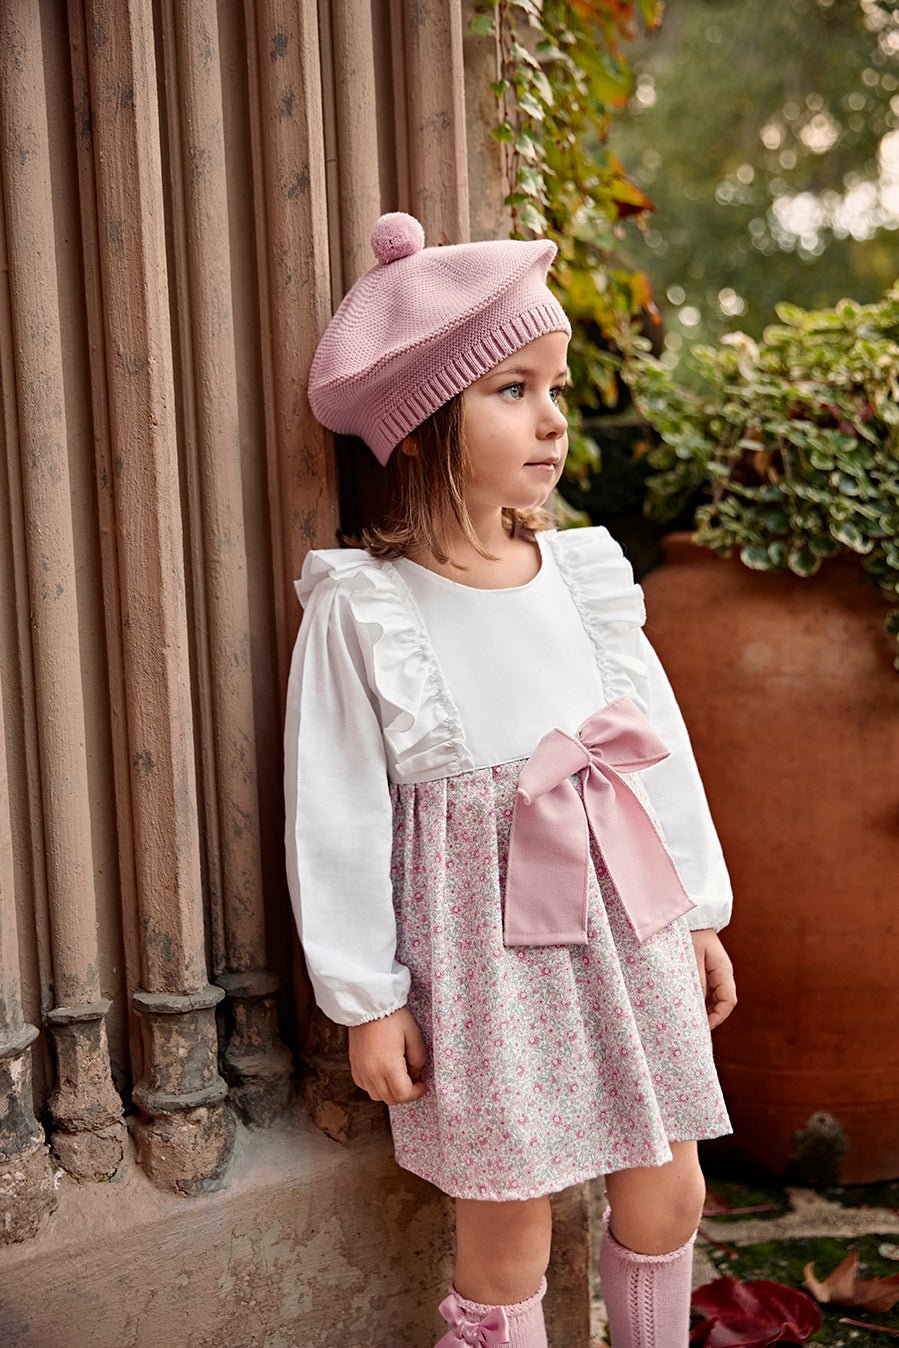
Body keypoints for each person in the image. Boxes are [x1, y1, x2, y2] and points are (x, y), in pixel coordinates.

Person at [285, 212, 737, 1348]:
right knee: (506, 1235)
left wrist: (695, 913)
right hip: (484, 969)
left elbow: (655, 752)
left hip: (625, 926)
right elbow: (334, 816)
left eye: (555, 388)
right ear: (422, 424)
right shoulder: (365, 608)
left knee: (669, 1189)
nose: (551, 419)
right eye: (511, 389)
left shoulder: (581, 578)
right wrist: (368, 998)